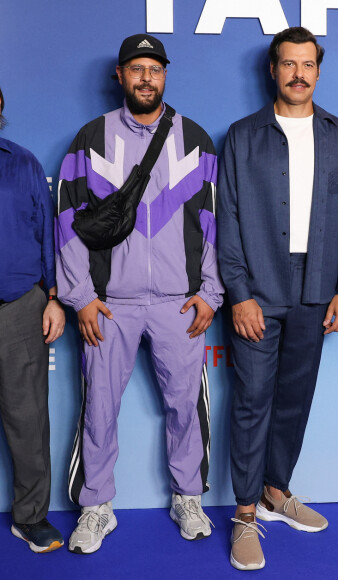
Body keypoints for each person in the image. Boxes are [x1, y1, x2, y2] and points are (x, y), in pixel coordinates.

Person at [55, 34, 223, 553]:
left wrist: (212, 293)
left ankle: (187, 497)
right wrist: (80, 296)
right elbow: (66, 222)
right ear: (121, 77)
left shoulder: (195, 138)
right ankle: (96, 506)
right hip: (111, 304)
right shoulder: (89, 139)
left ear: (165, 76)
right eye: (136, 68)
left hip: (179, 302)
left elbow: (214, 223)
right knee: (99, 408)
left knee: (184, 407)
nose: (146, 77)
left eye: (154, 68)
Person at [218, 27, 338, 570]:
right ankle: (246, 515)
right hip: (258, 284)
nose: (298, 73)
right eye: (288, 64)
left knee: (295, 398)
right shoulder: (241, 135)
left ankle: (277, 491)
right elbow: (227, 220)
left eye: (307, 64)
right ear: (272, 70)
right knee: (254, 400)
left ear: (317, 71)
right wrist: (239, 294)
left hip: (317, 284)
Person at [0, 86, 66, 552]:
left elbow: (50, 236)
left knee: (28, 420)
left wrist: (56, 298)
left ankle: (31, 517)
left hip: (19, 306)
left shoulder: (23, 164)